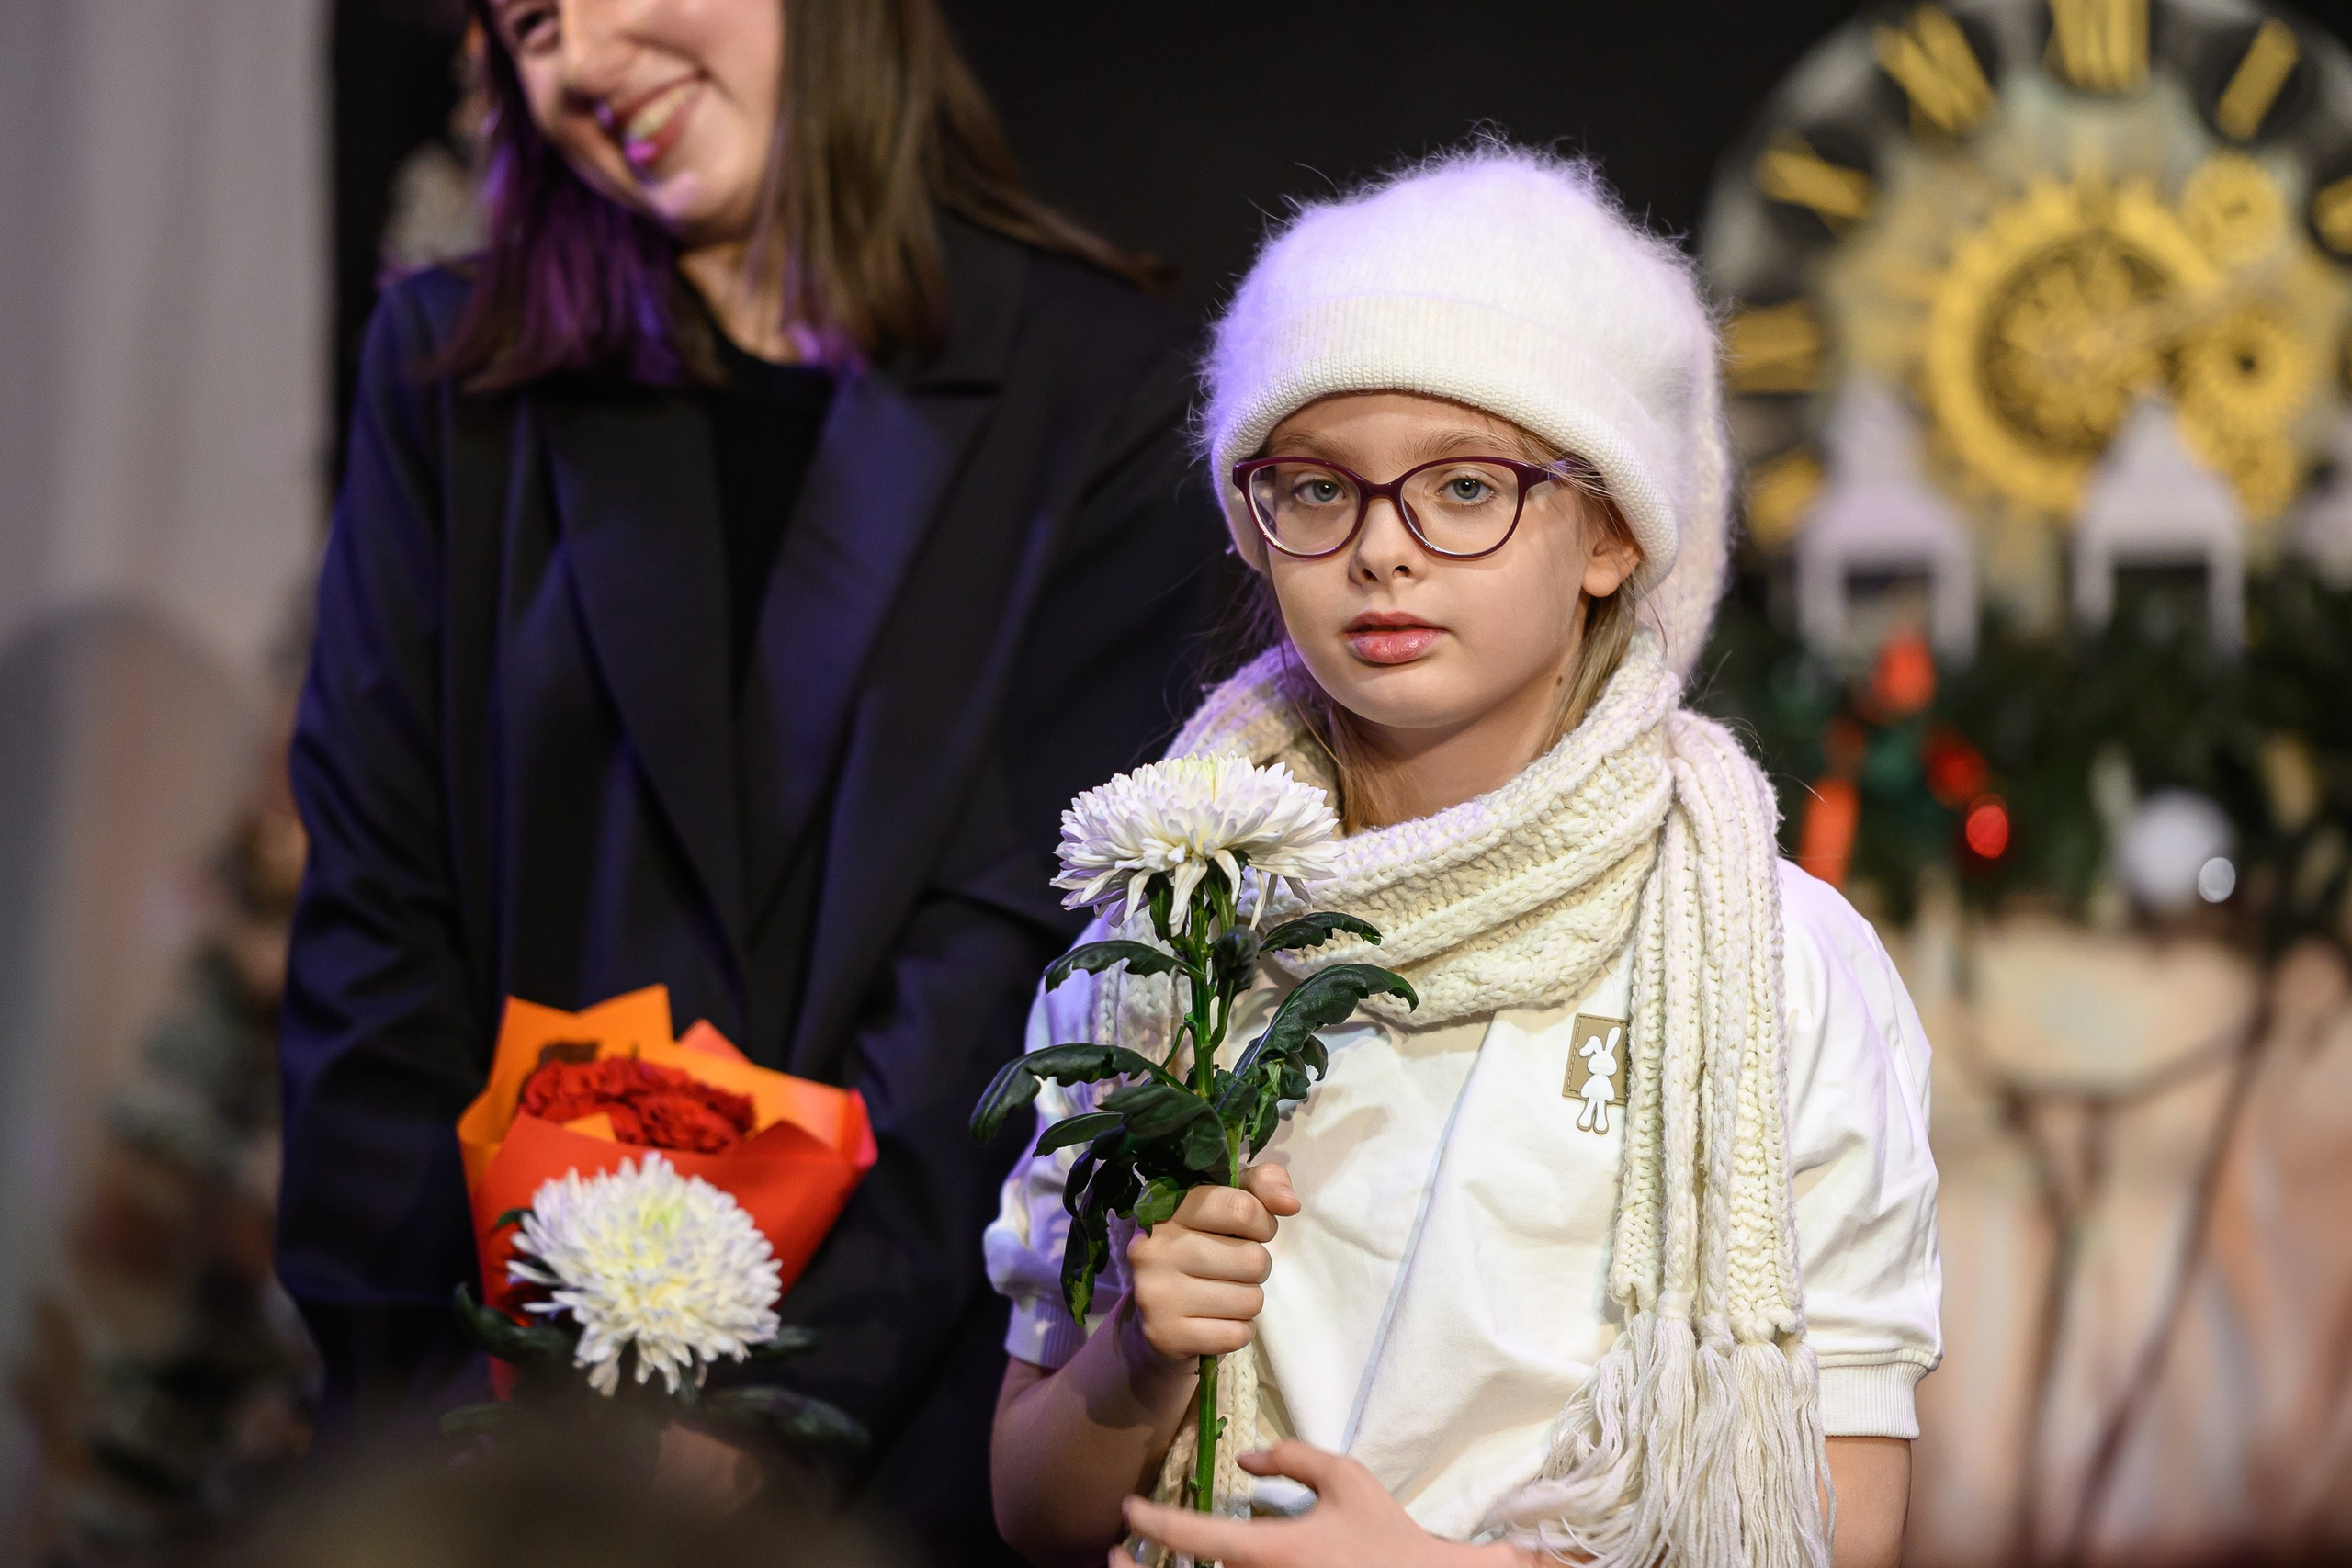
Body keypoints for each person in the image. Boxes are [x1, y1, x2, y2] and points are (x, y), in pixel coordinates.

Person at [274, 1, 1221, 1562]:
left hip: (886, 1432)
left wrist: (779, 1406)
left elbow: (1009, 968)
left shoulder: (1098, 392)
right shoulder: (458, 379)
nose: (574, 57)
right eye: (526, 22)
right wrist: (458, 1386)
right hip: (493, 1434)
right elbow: (379, 929)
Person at [985, 146, 1941, 1568]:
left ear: (1612, 529)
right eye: (1315, 489)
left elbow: (1837, 1525)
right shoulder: (1159, 939)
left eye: (1467, 488)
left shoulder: (1779, 962)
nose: (1384, 551)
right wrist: (1136, 1354)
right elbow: (1032, 1505)